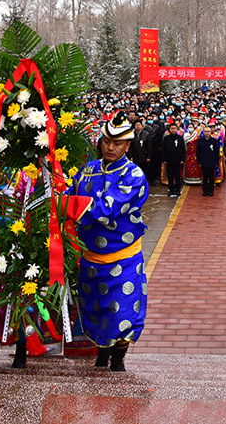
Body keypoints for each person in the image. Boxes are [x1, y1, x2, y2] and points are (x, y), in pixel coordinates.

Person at [68, 112, 149, 371]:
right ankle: (102, 355)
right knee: (96, 311)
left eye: (117, 143)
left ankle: (118, 360)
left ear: (127, 145)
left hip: (123, 257)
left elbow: (106, 209)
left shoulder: (134, 176)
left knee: (122, 312)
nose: (110, 147)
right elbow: (68, 195)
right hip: (91, 257)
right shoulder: (87, 170)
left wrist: (71, 205)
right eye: (106, 141)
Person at [161, 123, 185, 197]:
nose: (173, 130)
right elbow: (163, 150)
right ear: (169, 129)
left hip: (178, 160)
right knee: (170, 176)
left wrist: (182, 159)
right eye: (172, 128)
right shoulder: (166, 138)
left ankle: (177, 190)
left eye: (174, 128)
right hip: (169, 160)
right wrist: (164, 159)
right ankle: (171, 190)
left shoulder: (180, 138)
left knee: (177, 176)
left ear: (177, 129)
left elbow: (183, 149)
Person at [196, 125, 220, 196]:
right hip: (203, 162)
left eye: (208, 131)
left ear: (211, 132)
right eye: (206, 131)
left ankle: (211, 190)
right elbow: (198, 152)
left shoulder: (214, 141)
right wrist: (199, 162)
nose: (207, 133)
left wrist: (216, 162)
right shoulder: (200, 141)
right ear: (203, 132)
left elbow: (217, 152)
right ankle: (205, 191)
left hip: (212, 162)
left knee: (211, 177)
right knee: (205, 177)